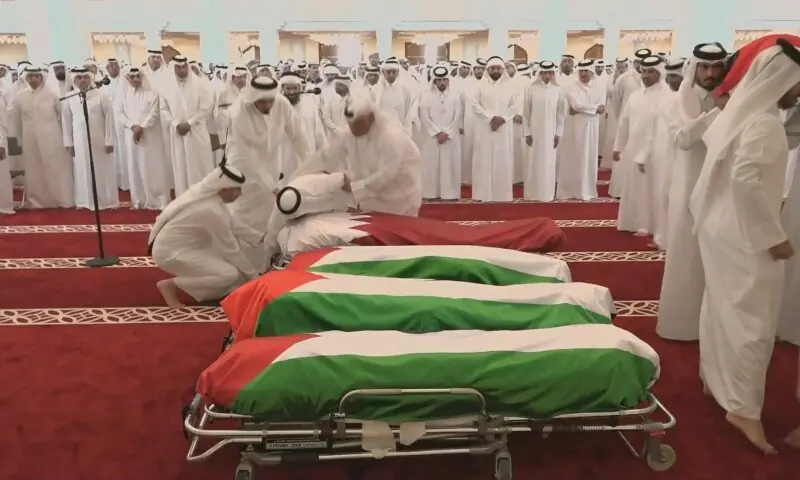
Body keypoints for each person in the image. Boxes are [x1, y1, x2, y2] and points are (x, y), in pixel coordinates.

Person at [689, 38, 800, 454]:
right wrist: (774, 239)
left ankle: (713, 380)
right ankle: (744, 411)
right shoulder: (765, 122)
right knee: (754, 327)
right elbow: (745, 181)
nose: (799, 90)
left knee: (719, 308)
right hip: (746, 236)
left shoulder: (741, 114)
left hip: (721, 230)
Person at [657, 43, 728, 341]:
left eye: (716, 67)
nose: (710, 74)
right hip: (688, 185)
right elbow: (685, 138)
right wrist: (720, 113)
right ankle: (683, 325)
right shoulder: (678, 99)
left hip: (722, 187)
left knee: (719, 255)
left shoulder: (728, 98)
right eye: (704, 67)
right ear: (694, 68)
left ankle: (717, 328)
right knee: (687, 255)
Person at [224, 75, 311, 273]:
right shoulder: (239, 111)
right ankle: (239, 272)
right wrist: (273, 187)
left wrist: (310, 166)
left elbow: (299, 137)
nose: (267, 105)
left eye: (270, 100)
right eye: (262, 101)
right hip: (242, 170)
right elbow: (250, 157)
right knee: (243, 219)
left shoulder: (280, 104)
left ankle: (263, 268)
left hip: (270, 166)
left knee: (269, 219)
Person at [150, 164, 265, 308]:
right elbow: (231, 250)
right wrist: (255, 279)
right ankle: (171, 285)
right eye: (238, 189)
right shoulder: (211, 210)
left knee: (238, 268)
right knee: (229, 275)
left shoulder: (211, 200)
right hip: (171, 253)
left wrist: (261, 238)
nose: (240, 194)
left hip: (188, 246)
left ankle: (226, 290)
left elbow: (233, 224)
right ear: (225, 189)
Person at [291, 95, 422, 216]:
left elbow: (386, 176)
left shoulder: (390, 136)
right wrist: (296, 178)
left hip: (401, 197)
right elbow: (325, 156)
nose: (353, 128)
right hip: (372, 199)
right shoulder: (350, 133)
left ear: (371, 117)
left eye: (358, 124)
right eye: (350, 123)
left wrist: (354, 187)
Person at [613, 56, 675, 248]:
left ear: (660, 73)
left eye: (651, 71)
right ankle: (634, 222)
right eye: (644, 71)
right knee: (634, 187)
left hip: (657, 152)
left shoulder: (667, 96)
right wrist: (618, 147)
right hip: (633, 148)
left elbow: (655, 129)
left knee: (653, 190)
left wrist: (645, 153)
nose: (646, 75)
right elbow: (624, 123)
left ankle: (653, 227)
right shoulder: (636, 96)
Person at [6, 65, 75, 208]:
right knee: (34, 170)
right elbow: (11, 115)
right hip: (30, 138)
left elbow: (63, 117)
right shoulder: (21, 96)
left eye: (36, 76)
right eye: (30, 77)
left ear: (42, 77)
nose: (33, 79)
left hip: (52, 138)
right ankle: (37, 201)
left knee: (55, 168)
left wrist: (67, 139)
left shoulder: (52, 95)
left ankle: (61, 200)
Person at [62, 66, 119, 210]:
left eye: (85, 77)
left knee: (102, 170)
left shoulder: (101, 96)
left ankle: (106, 201)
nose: (82, 80)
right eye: (79, 78)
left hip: (99, 141)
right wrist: (69, 143)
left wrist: (109, 140)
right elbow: (66, 121)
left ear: (90, 78)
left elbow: (109, 119)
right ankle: (84, 201)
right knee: (82, 169)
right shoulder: (70, 98)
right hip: (79, 141)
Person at [159, 55, 215, 196]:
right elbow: (163, 109)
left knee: (200, 165)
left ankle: (202, 196)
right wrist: (176, 123)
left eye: (184, 66)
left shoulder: (200, 84)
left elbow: (207, 107)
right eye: (178, 67)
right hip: (177, 132)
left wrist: (190, 122)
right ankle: (184, 198)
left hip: (196, 130)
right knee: (181, 166)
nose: (181, 70)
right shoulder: (166, 86)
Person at [116, 66, 169, 210]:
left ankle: (157, 200)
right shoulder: (124, 95)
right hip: (131, 135)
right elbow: (120, 113)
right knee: (134, 167)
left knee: (151, 165)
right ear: (127, 79)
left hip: (150, 136)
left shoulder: (152, 93)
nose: (135, 79)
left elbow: (154, 113)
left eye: (137, 76)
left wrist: (142, 127)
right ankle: (138, 200)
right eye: (131, 77)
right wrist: (132, 126)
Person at [471, 56, 520, 202]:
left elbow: (515, 105)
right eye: (493, 68)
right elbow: (474, 104)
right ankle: (482, 194)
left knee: (503, 160)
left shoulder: (511, 86)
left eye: (498, 68)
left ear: (502, 69)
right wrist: (490, 118)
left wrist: (502, 118)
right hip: (484, 127)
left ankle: (502, 195)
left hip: (504, 128)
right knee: (483, 160)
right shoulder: (479, 85)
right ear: (488, 69)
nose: (496, 71)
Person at [557, 59, 605, 200]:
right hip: (574, 128)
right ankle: (570, 190)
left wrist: (588, 109)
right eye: (581, 71)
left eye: (586, 71)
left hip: (591, 128)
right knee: (574, 157)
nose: (583, 74)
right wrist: (594, 108)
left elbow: (602, 108)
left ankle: (587, 190)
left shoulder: (599, 86)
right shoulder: (572, 86)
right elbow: (575, 105)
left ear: (591, 72)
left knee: (589, 157)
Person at [522, 60, 565, 202]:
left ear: (553, 74)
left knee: (548, 163)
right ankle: (532, 193)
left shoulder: (558, 90)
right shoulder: (531, 89)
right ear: (540, 73)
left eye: (549, 73)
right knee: (533, 162)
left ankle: (547, 194)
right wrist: (527, 132)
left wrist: (558, 133)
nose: (547, 75)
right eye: (544, 73)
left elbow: (560, 114)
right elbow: (526, 113)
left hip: (551, 133)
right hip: (534, 133)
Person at [418, 65, 462, 201]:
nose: (441, 83)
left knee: (450, 165)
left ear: (448, 81)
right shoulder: (426, 97)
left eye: (444, 80)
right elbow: (424, 116)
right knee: (431, 165)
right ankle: (431, 193)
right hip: (432, 138)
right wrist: (437, 133)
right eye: (439, 80)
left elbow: (458, 116)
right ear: (434, 81)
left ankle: (450, 193)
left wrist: (447, 133)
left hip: (450, 138)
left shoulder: (455, 97)